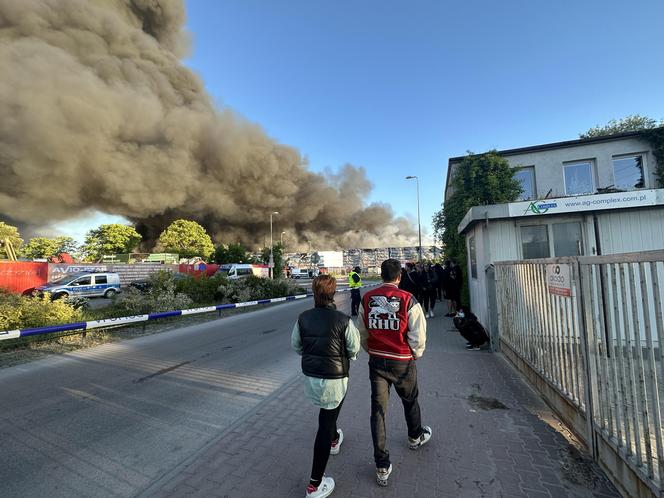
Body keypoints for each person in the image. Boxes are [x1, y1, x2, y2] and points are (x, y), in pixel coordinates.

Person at [357, 258, 432, 487]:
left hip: (377, 362)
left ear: (381, 275)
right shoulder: (408, 299)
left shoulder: (367, 298)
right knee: (410, 400)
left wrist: (372, 350)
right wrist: (415, 353)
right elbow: (418, 334)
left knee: (378, 412)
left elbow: (361, 331)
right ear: (399, 276)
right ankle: (415, 436)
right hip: (401, 361)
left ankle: (381, 466)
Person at [292, 275, 361, 498]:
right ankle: (314, 485)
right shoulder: (343, 319)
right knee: (326, 421)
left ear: (314, 292)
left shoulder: (303, 318)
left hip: (312, 377)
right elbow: (354, 348)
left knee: (329, 414)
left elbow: (296, 345)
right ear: (333, 293)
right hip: (335, 377)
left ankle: (334, 439)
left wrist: (312, 354)